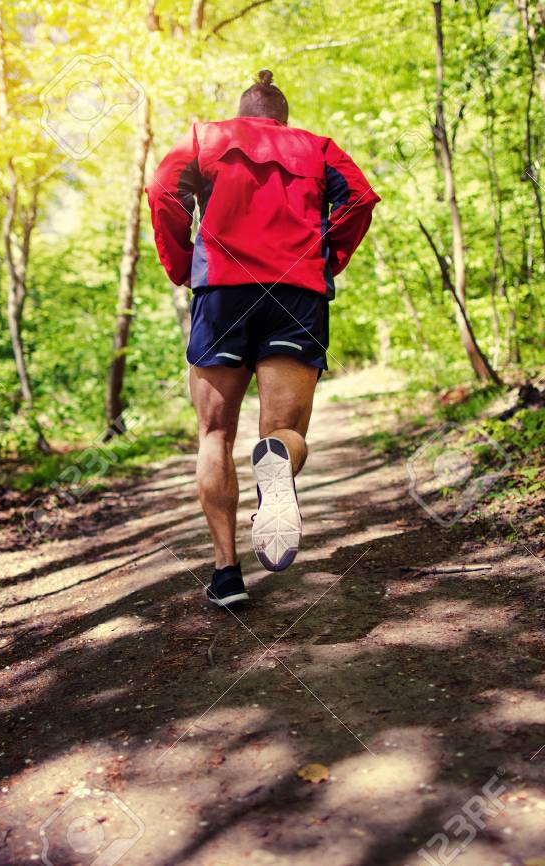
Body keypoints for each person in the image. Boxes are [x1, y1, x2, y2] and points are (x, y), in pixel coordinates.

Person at [146, 70, 378, 607]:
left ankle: (227, 574)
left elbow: (162, 190)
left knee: (214, 435)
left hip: (222, 295)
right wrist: (326, 260)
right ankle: (276, 462)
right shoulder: (318, 148)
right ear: (282, 117)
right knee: (283, 432)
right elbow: (359, 200)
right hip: (296, 294)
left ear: (243, 111)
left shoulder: (204, 138)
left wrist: (183, 264)